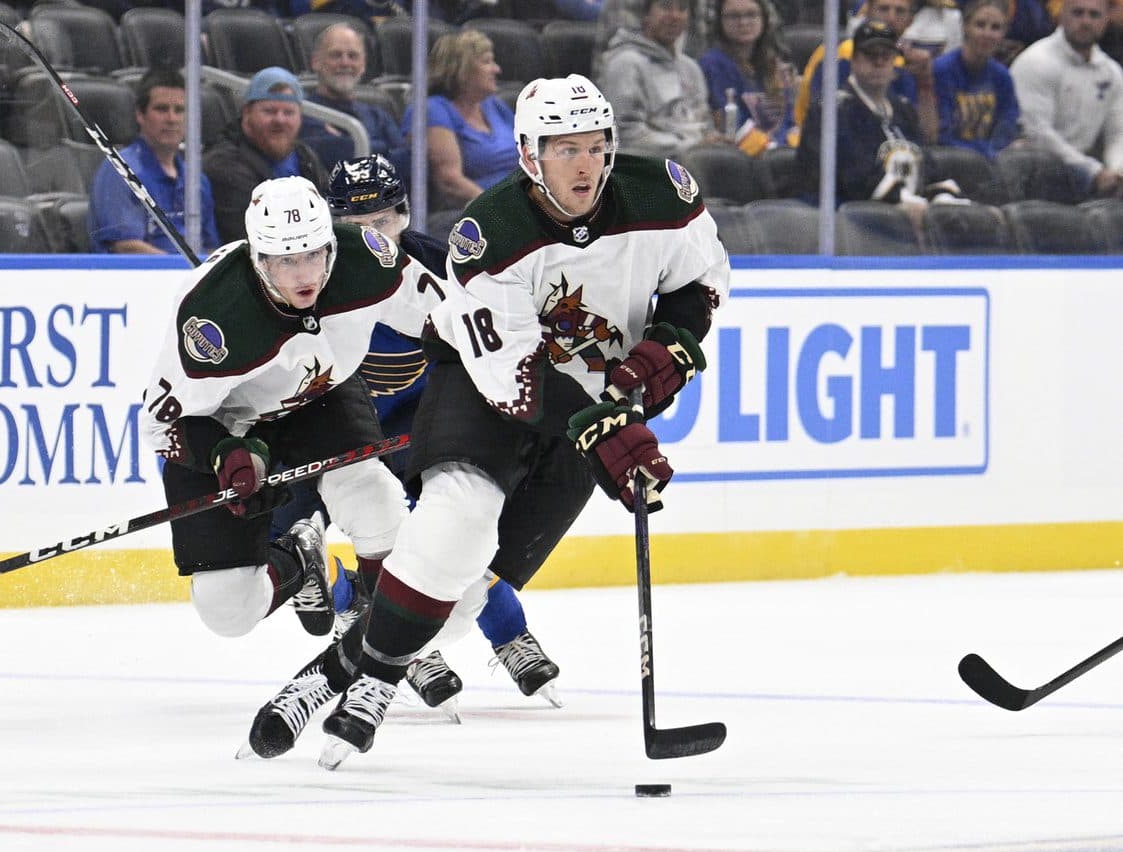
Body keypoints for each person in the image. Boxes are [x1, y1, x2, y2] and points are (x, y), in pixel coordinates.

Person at [245, 74, 730, 771]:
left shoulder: (664, 195)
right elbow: (517, 378)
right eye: (565, 149)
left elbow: (697, 283)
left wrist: (661, 356)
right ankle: (375, 687)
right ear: (530, 155)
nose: (585, 164)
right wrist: (607, 427)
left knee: (474, 588)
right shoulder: (487, 236)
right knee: (454, 526)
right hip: (484, 396)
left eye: (595, 146)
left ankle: (328, 674)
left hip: (586, 410)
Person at [271, 154, 565, 717]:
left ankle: (506, 635)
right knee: (291, 534)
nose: (372, 237)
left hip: (415, 422)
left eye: (382, 222)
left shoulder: (434, 266)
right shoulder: (308, 281)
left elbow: (481, 343)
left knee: (447, 529)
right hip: (335, 427)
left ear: (404, 215)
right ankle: (362, 613)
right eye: (356, 227)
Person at [138, 175, 442, 665]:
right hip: (229, 433)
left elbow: (453, 320)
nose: (304, 275)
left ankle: (387, 646)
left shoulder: (364, 256)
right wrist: (223, 452)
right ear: (259, 259)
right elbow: (159, 426)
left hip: (322, 398)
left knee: (379, 507)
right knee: (228, 612)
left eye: (312, 256)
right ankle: (300, 559)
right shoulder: (211, 320)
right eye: (285, 261)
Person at [797, 19, 965, 226]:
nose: (879, 62)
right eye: (870, 55)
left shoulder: (902, 109)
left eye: (886, 55)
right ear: (854, 60)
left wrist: (943, 196)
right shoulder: (831, 111)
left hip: (906, 218)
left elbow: (927, 165)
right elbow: (855, 180)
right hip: (849, 224)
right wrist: (905, 202)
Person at [87, 67, 219, 254]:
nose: (172, 119)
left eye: (179, 110)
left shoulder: (197, 180)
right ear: (140, 115)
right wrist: (183, 270)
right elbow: (126, 247)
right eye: (161, 109)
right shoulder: (121, 170)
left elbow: (210, 247)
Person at [1010, 0, 1123, 198]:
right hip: (1036, 172)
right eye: (1078, 13)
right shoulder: (1036, 61)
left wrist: (1117, 171)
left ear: (1106, 20)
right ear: (1061, 15)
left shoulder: (1111, 72)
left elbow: (1117, 134)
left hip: (1087, 174)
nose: (1086, 21)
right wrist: (1094, 171)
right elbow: (1037, 133)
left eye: (1094, 15)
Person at [204, 67, 329, 244]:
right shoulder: (223, 164)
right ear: (247, 113)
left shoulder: (305, 157)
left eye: (289, 112)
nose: (280, 120)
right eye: (269, 111)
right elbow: (254, 235)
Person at [793, 0, 939, 146]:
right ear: (867, 11)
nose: (891, 18)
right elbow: (822, 125)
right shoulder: (840, 56)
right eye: (883, 9)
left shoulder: (907, 68)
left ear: (910, 19)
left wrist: (924, 84)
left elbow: (926, 137)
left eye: (900, 11)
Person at [401, 30, 519, 209]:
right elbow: (449, 182)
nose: (497, 69)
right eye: (487, 61)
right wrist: (498, 209)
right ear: (461, 69)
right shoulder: (432, 109)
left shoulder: (494, 105)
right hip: (472, 214)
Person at [597, 0, 720, 161]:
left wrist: (717, 140)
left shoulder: (691, 68)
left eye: (682, 9)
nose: (675, 16)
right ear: (646, 14)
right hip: (648, 166)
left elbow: (704, 124)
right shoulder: (624, 63)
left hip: (698, 160)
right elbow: (626, 135)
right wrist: (691, 146)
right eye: (666, 7)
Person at [299, 23, 411, 181]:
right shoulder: (306, 114)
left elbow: (408, 160)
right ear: (315, 62)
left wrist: (356, 146)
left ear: (363, 65)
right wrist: (384, 149)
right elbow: (342, 159)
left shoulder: (378, 115)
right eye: (336, 55)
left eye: (353, 56)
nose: (345, 63)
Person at [698, 0, 799, 154]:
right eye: (733, 16)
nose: (743, 22)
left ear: (764, 18)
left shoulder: (775, 64)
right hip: (742, 158)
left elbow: (790, 122)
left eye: (751, 15)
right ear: (720, 22)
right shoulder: (713, 64)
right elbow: (729, 126)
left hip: (783, 155)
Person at [933, 0, 1021, 159]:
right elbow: (941, 135)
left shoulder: (1002, 76)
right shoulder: (941, 71)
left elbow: (1007, 125)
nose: (987, 34)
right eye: (980, 25)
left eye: (995, 27)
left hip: (991, 159)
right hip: (950, 159)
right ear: (965, 26)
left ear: (1004, 33)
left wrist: (994, 150)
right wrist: (985, 152)